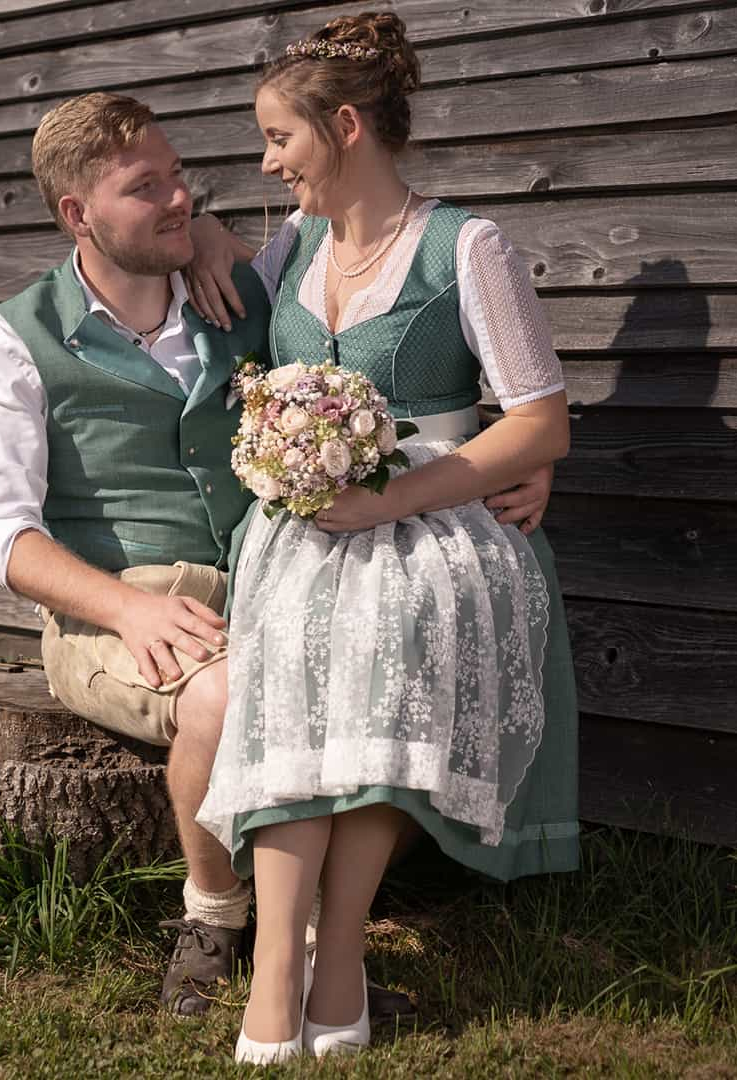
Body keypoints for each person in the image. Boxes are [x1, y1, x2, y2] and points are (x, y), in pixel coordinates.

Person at [0, 90, 554, 1021]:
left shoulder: (242, 292)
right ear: (78, 214)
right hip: (122, 606)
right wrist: (124, 607)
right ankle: (214, 917)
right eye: (145, 187)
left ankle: (318, 944)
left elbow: (398, 366)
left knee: (380, 666)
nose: (180, 198)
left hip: (271, 575)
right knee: (237, 693)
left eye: (180, 175)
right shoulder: (12, 340)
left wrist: (514, 465)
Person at [182, 13, 583, 1064]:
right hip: (308, 532)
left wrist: (395, 500)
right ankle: (282, 969)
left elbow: (541, 420)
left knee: (371, 649)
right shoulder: (295, 242)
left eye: (280, 139)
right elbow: (207, 275)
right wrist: (221, 237)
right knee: (292, 674)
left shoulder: (467, 246)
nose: (269, 161)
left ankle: (340, 956)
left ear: (347, 126)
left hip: (437, 531)